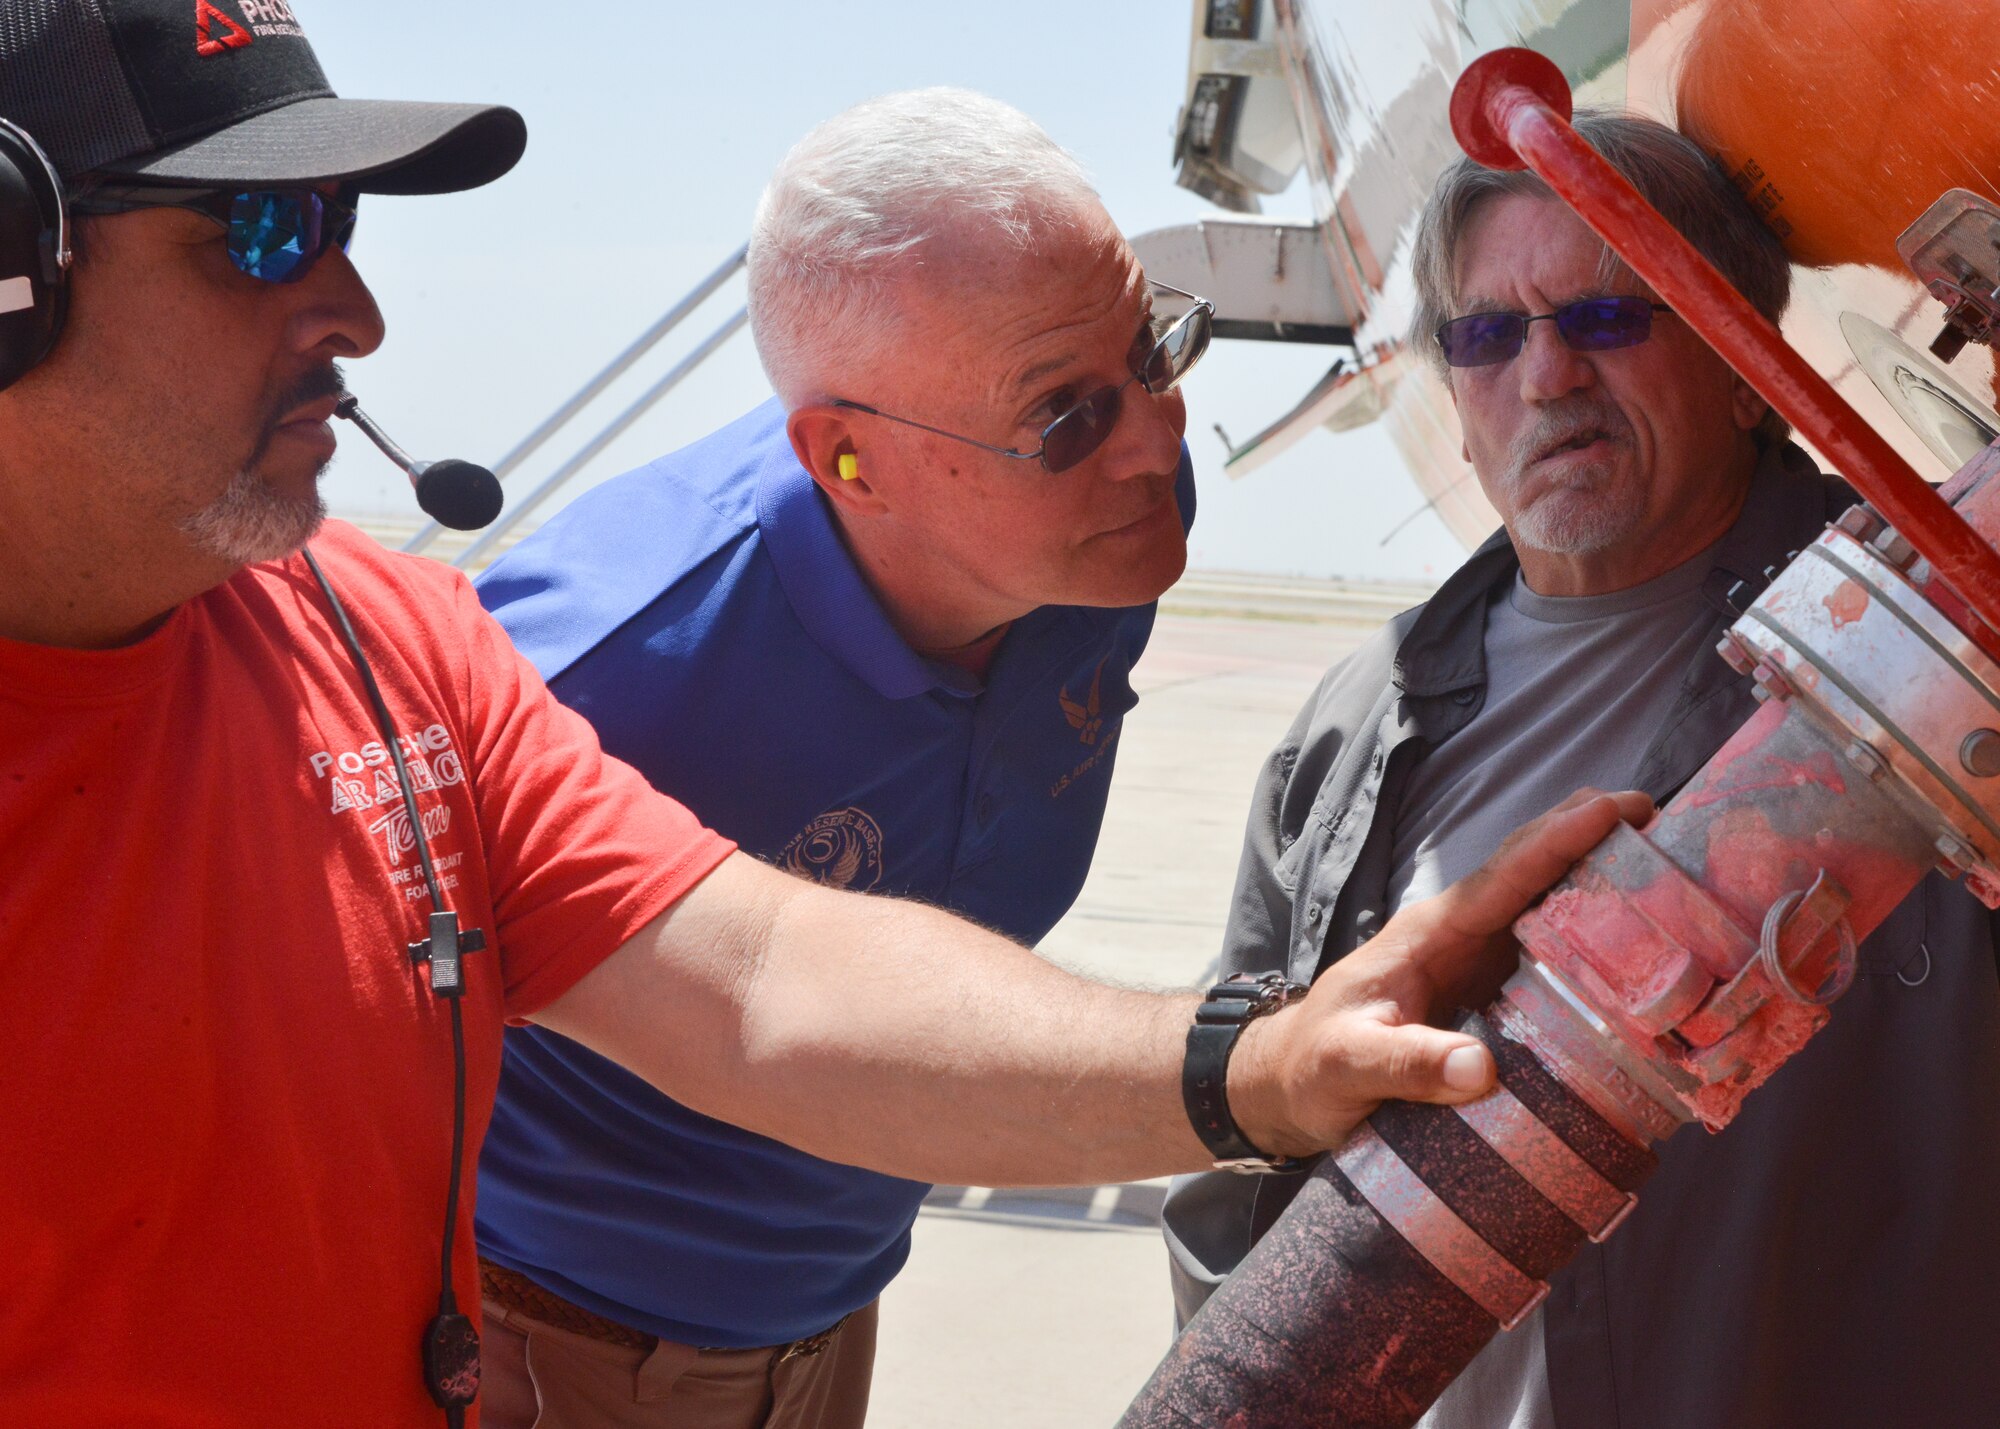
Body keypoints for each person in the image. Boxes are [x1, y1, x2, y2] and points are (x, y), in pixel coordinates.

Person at [0, 6, 1637, 1425]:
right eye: (262, 233)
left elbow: (761, 977)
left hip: (809, 1316)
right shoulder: (593, 640)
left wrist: (1259, 1063)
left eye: (341, 218)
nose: (358, 313)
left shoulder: (398, 653)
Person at [1161, 110, 2000, 1428]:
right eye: (1487, 336)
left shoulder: (1929, 639)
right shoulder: (1354, 723)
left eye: (1609, 316)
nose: (1544, 377)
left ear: (1743, 360)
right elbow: (1252, 1139)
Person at [468, 89, 1199, 1428]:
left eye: (1153, 350)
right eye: (1067, 417)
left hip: (824, 1331)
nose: (1158, 437)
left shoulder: (1109, 533)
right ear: (849, 459)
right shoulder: (592, 674)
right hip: (548, 1357)